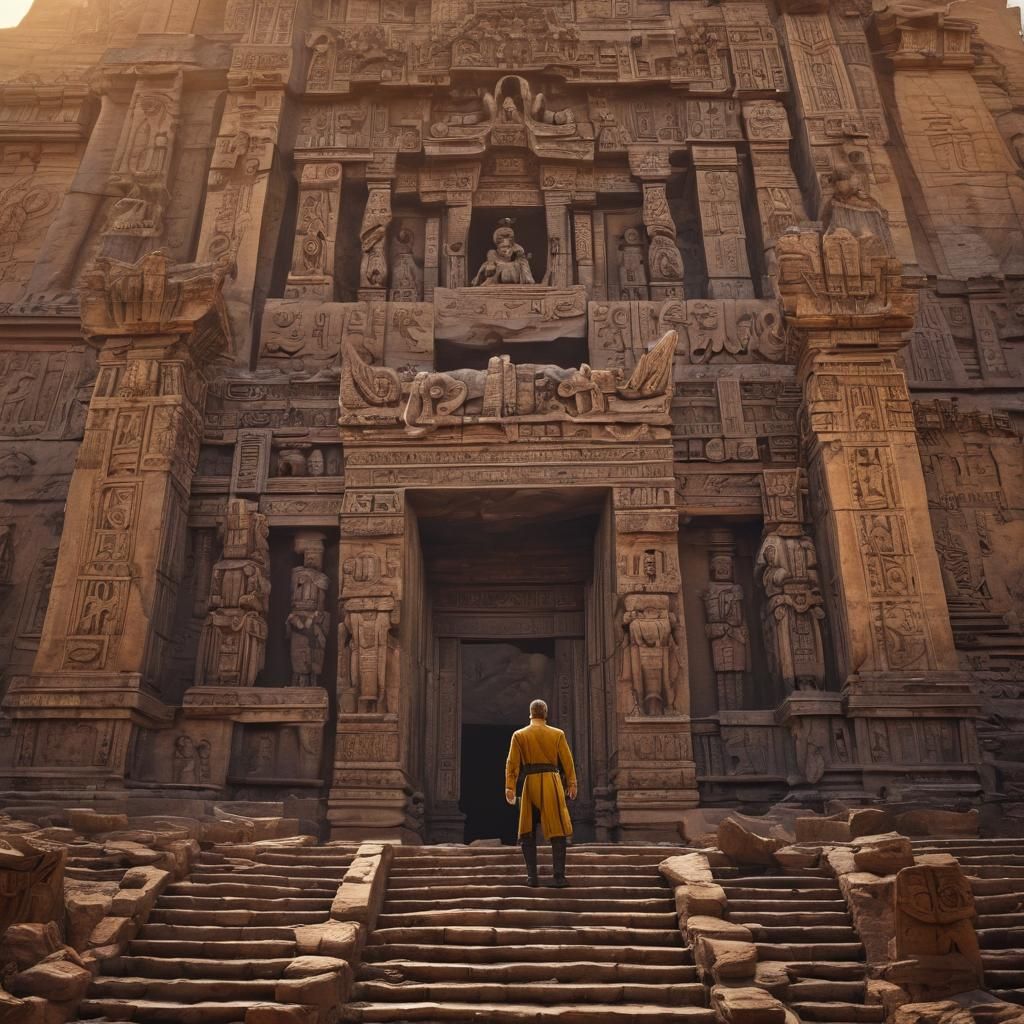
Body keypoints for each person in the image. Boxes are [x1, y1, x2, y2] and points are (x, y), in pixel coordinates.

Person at [504, 699, 577, 888]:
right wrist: (572, 783)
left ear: (530, 713)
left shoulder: (519, 735)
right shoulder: (557, 734)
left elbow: (512, 764)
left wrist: (510, 787)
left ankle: (532, 877)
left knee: (527, 830)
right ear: (545, 713)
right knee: (558, 831)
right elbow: (567, 762)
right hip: (552, 783)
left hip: (531, 783)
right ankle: (559, 877)